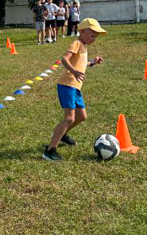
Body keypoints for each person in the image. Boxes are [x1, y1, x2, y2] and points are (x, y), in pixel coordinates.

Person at [42, 17, 106, 162]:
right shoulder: (76, 43)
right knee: (69, 118)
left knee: (81, 116)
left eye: (96, 36)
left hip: (75, 87)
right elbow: (65, 59)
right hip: (67, 85)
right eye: (92, 35)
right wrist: (74, 72)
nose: (94, 39)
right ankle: (50, 150)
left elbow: (81, 64)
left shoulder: (84, 47)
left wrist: (93, 63)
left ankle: (62, 135)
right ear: (82, 31)